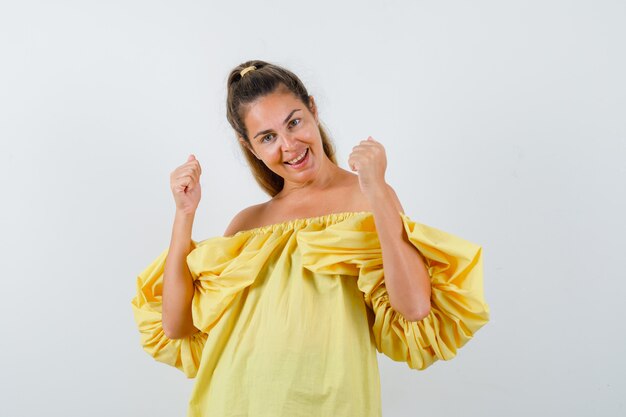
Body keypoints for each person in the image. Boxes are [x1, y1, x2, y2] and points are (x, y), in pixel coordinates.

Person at [131, 60, 490, 417]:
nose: (289, 145)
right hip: (233, 401)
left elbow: (414, 307)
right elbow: (177, 326)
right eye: (267, 137)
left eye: (294, 122)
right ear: (250, 147)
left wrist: (377, 188)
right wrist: (184, 213)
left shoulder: (365, 197)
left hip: (332, 405)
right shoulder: (248, 223)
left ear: (313, 110)